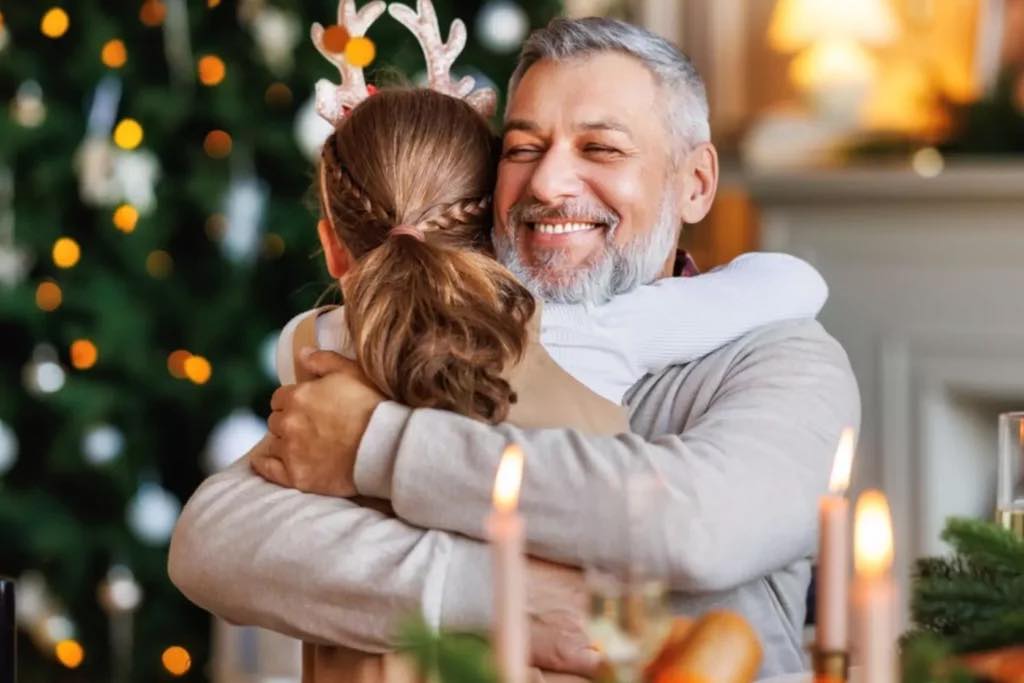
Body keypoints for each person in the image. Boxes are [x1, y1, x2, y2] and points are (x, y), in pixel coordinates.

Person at [169, 10, 860, 680]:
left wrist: (375, 446)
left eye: (601, 148)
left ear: (697, 183)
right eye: (523, 149)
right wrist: (516, 596)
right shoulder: (435, 341)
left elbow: (699, 525)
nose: (549, 183)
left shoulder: (782, 356)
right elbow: (216, 538)